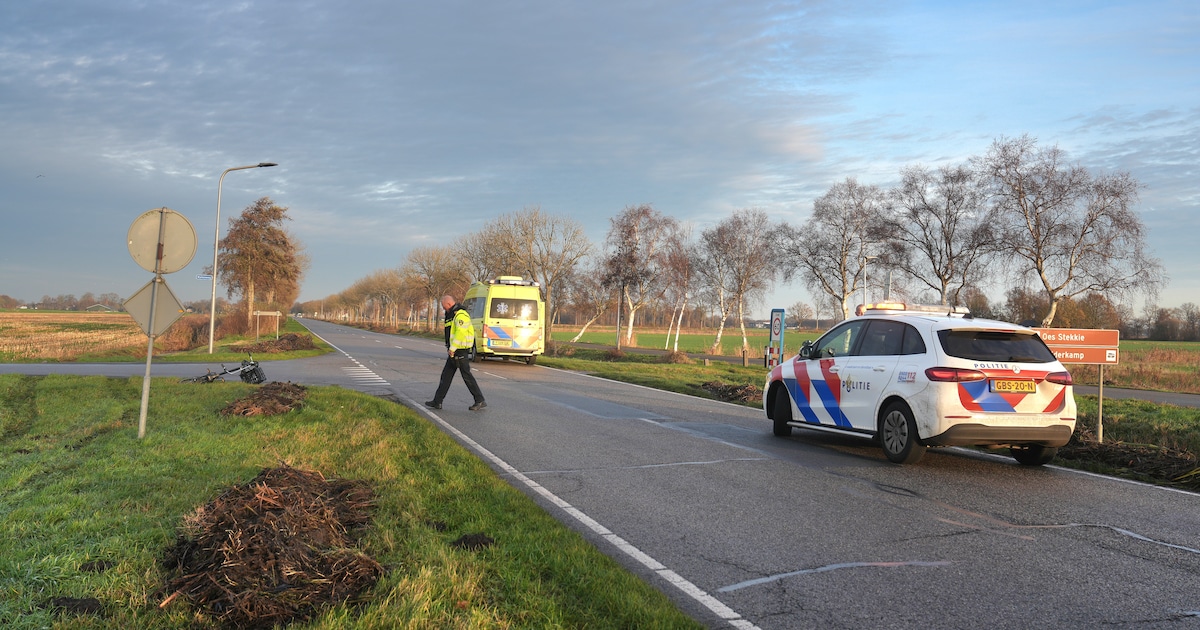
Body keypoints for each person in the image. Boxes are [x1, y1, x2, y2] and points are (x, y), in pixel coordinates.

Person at [425, 294, 487, 411]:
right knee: (446, 376)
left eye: (444, 307)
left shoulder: (461, 315)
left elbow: (460, 333)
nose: (444, 310)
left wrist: (452, 348)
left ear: (449, 304)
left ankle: (479, 400)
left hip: (459, 351)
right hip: (454, 351)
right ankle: (437, 401)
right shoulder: (452, 315)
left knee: (467, 376)